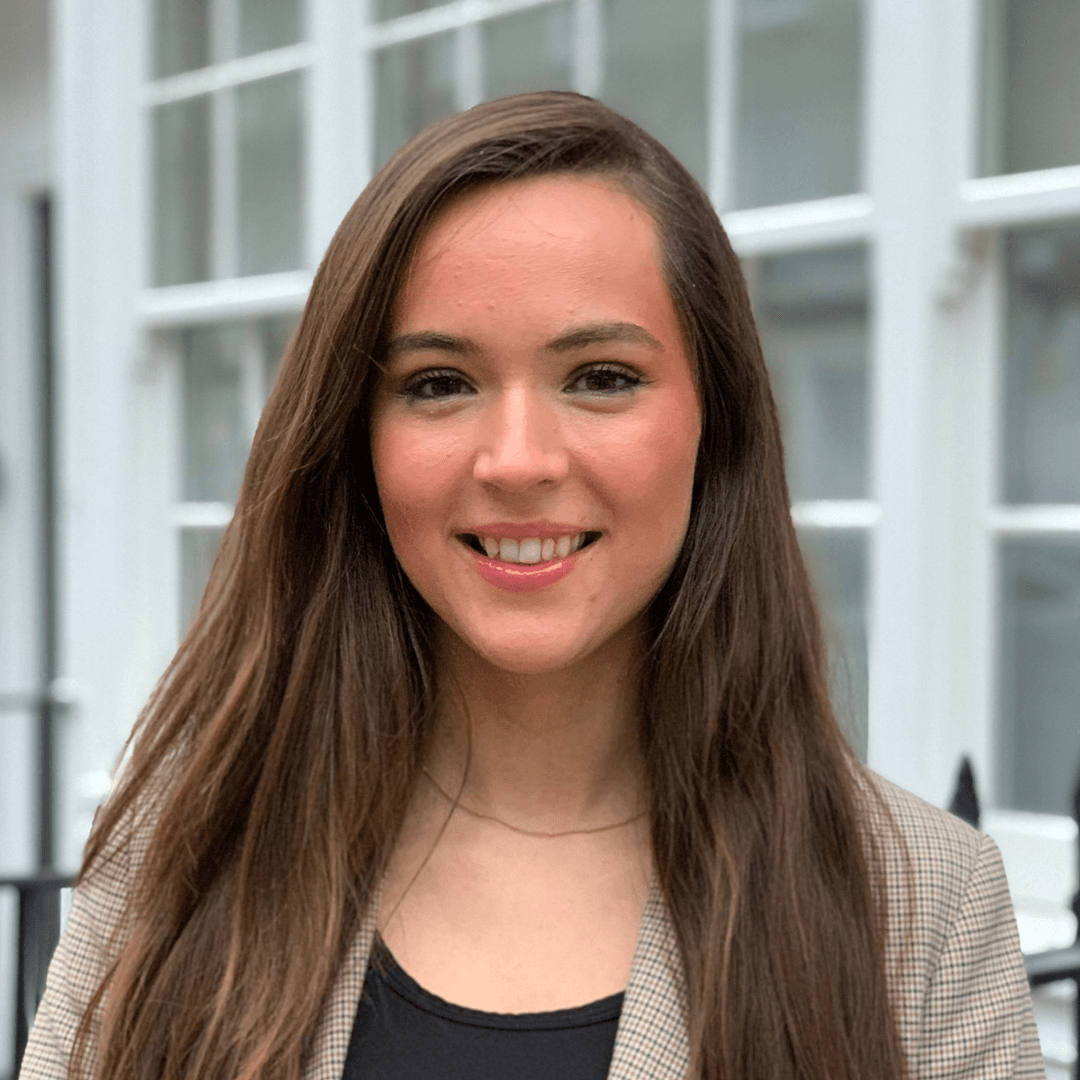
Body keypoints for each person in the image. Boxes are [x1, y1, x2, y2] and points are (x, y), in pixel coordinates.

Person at [22, 92, 1043, 1080]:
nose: (516, 461)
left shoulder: (923, 906)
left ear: (713, 423)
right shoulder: (183, 853)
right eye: (439, 384)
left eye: (601, 375)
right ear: (356, 443)